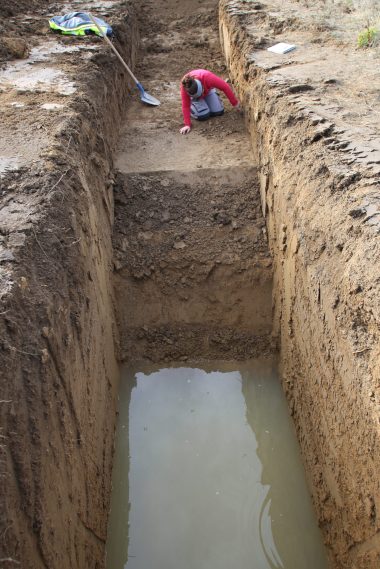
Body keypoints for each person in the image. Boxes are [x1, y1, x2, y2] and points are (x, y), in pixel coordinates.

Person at [179, 69, 240, 134]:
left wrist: (235, 103)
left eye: (201, 92)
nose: (201, 95)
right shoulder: (185, 87)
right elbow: (185, 106)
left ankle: (209, 97)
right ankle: (193, 104)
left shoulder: (208, 78)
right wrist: (187, 125)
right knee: (203, 115)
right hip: (195, 99)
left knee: (218, 112)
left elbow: (225, 87)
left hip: (208, 91)